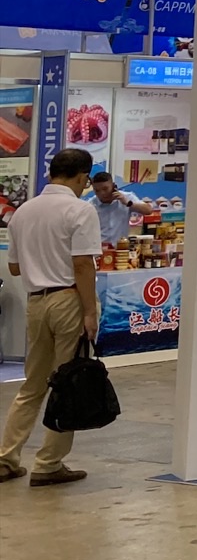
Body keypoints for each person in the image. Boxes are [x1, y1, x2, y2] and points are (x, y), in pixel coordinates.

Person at [0, 147, 103, 486]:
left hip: (36, 303)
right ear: (81, 177)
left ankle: (6, 458)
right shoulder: (80, 210)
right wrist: (90, 311)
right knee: (68, 382)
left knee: (32, 384)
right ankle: (48, 462)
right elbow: (82, 265)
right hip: (68, 299)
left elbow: (14, 267)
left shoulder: (23, 212)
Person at [88, 171, 156, 250]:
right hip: (98, 250)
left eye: (105, 189)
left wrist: (128, 203)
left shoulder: (126, 197)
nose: (102, 193)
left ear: (113, 186)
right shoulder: (90, 205)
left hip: (121, 249)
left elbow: (148, 210)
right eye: (97, 191)